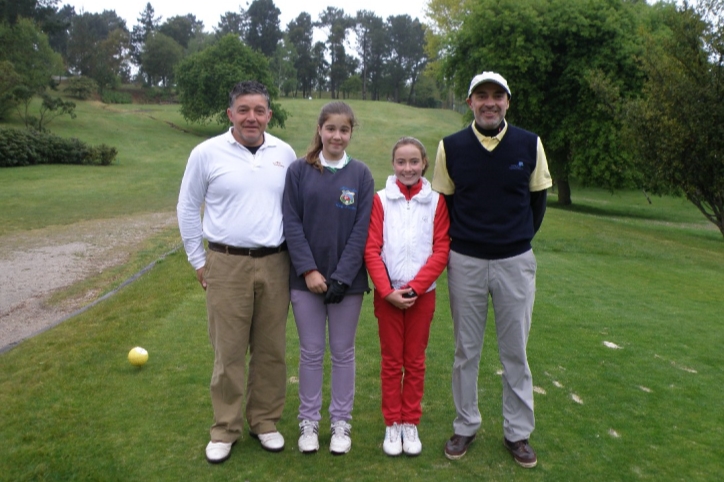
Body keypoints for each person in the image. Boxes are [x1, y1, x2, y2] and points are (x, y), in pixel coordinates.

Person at [431, 71, 552, 468]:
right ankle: (466, 423)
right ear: (469, 102)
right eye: (480, 96)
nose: (489, 102)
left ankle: (517, 433)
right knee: (467, 350)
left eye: (497, 96)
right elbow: (444, 207)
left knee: (515, 351)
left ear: (507, 102)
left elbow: (537, 203)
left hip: (515, 261)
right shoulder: (450, 147)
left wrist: (512, 240)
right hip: (464, 260)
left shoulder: (529, 143)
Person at [177, 80, 297, 464]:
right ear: (230, 114)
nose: (251, 117)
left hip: (277, 262)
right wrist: (198, 260)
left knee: (271, 349)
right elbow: (187, 207)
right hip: (226, 262)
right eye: (243, 110)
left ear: (268, 115)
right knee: (227, 351)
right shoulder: (206, 153)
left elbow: (295, 209)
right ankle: (225, 428)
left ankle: (264, 421)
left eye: (259, 110)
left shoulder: (285, 152)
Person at [282, 101, 374, 456]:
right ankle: (308, 422)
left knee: (343, 352)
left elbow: (361, 230)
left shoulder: (361, 175)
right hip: (304, 280)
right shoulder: (298, 171)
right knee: (310, 352)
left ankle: (340, 423)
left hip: (346, 284)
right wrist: (309, 270)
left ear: (351, 133)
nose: (337, 136)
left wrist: (340, 277)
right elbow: (291, 222)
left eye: (344, 130)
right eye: (331, 128)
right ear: (319, 130)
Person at [364, 137, 450, 457]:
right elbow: (372, 249)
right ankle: (392, 423)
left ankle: (409, 420)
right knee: (391, 362)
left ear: (424, 163)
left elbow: (441, 250)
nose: (408, 168)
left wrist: (414, 289)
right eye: (401, 162)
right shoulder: (380, 200)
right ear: (393, 164)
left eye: (414, 162)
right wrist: (387, 291)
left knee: (414, 361)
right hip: (388, 296)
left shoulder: (436, 202)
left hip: (421, 296)